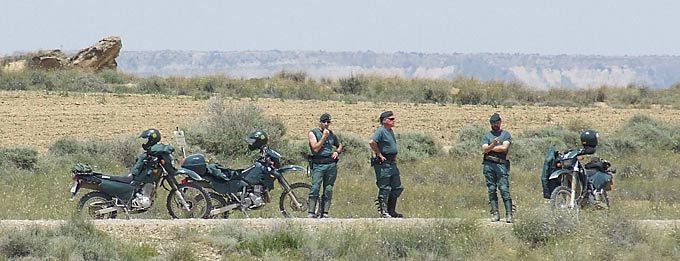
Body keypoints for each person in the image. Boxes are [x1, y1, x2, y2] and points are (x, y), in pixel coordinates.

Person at [368, 110, 404, 218]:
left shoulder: (390, 131)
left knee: (397, 187)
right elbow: (371, 142)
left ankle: (391, 210)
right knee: (385, 187)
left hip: (392, 163)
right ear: (384, 120)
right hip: (384, 163)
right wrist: (379, 154)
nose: (394, 121)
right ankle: (384, 211)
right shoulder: (381, 131)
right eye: (391, 119)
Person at [307, 113, 343, 218]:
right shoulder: (313, 133)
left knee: (328, 189)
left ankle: (325, 212)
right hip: (319, 164)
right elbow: (315, 148)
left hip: (330, 164)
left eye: (328, 122)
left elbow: (339, 144)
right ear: (320, 122)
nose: (326, 124)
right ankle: (311, 212)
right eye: (324, 122)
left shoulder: (331, 134)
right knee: (315, 188)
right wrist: (323, 137)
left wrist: (337, 151)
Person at [481, 113, 514, 223]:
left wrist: (491, 147)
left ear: (500, 122)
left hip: (501, 165)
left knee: (504, 188)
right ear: (491, 123)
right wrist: (493, 145)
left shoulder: (505, 134)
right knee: (491, 189)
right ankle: (495, 213)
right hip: (488, 165)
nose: (496, 124)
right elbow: (484, 150)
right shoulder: (487, 136)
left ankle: (509, 214)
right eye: (494, 122)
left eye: (498, 122)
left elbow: (504, 147)